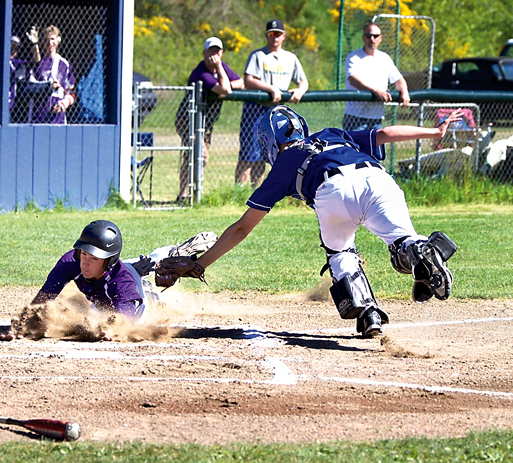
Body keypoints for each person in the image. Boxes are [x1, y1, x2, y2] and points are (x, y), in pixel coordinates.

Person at [185, 105, 461, 338]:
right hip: (377, 180)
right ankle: (419, 253)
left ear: (270, 142)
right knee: (403, 242)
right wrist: (435, 132)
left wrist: (200, 264)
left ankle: (368, 313)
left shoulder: (285, 163)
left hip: (332, 190)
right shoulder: (332, 134)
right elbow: (386, 133)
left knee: (340, 252)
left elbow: (241, 228)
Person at [10, 221, 217, 338]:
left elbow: (123, 321)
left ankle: (176, 253)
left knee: (149, 283)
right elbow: (46, 295)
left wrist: (109, 330)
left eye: (93, 258)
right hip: (115, 276)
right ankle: (143, 265)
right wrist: (25, 323)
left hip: (138, 301)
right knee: (134, 266)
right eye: (84, 254)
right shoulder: (72, 261)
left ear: (108, 260)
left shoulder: (124, 284)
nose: (85, 262)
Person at [236, 19, 308, 188]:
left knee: (266, 155)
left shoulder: (291, 58)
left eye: (278, 34)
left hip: (277, 114)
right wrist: (271, 89)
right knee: (248, 154)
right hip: (255, 110)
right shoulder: (258, 55)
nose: (274, 37)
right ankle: (238, 193)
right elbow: (248, 80)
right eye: (271, 34)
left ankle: (257, 192)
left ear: (284, 36)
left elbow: (303, 81)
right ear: (266, 36)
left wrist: (300, 91)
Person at [175, 36, 244, 200]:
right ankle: (187, 195)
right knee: (200, 155)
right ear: (204, 52)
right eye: (211, 51)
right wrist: (221, 73)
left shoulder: (221, 67)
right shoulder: (201, 72)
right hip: (189, 120)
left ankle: (188, 195)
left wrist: (221, 77)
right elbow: (226, 90)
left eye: (217, 51)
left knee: (195, 156)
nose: (214, 55)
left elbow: (240, 83)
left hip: (206, 122)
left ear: (221, 52)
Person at [343, 22, 411, 131]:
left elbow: (399, 79)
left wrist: (404, 92)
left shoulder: (384, 58)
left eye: (375, 36)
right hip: (355, 116)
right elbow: (353, 80)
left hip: (377, 118)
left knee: (375, 148)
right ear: (363, 38)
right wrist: (376, 91)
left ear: (380, 38)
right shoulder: (353, 57)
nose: (372, 39)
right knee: (354, 148)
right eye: (368, 36)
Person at [26, 25, 75, 124]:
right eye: (46, 39)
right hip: (38, 113)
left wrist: (62, 104)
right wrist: (48, 86)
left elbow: (71, 92)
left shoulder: (64, 64)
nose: (50, 43)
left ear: (58, 40)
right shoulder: (36, 64)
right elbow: (29, 87)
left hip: (58, 117)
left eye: (52, 39)